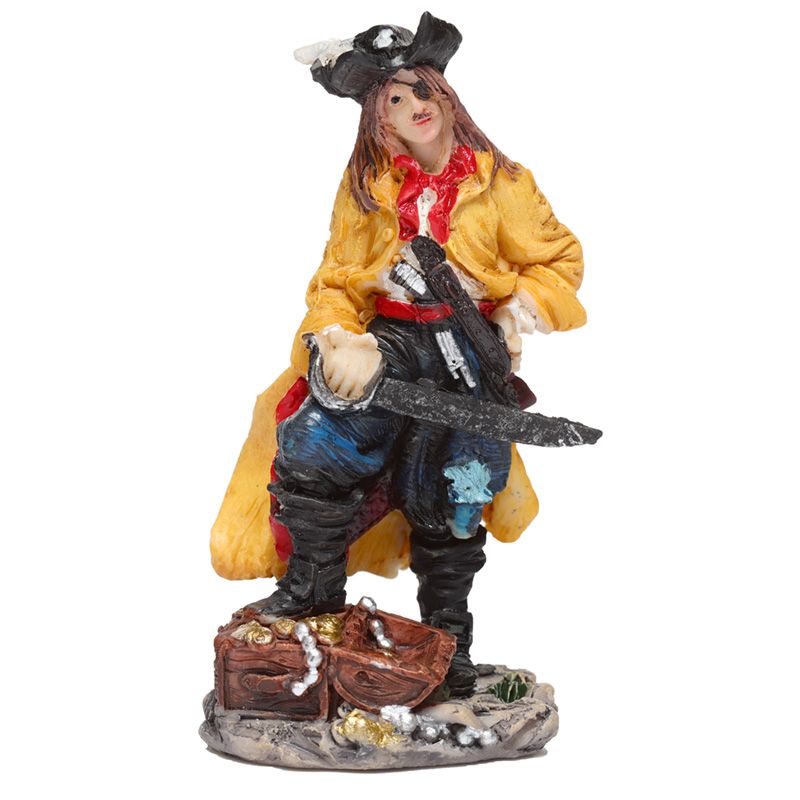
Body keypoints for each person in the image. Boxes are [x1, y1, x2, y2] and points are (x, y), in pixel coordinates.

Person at [210, 12, 587, 696]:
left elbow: (558, 261)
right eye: (394, 98)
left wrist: (517, 310)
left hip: (470, 354)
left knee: (461, 489)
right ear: (377, 117)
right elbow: (335, 280)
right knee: (315, 438)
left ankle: (449, 636)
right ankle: (313, 592)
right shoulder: (367, 188)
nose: (415, 106)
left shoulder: (503, 182)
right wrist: (340, 338)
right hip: (391, 343)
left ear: (446, 94)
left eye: (423, 89)